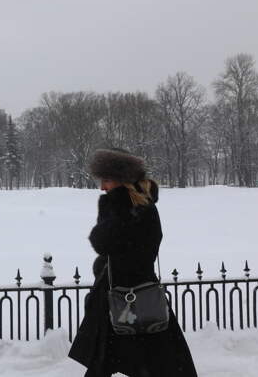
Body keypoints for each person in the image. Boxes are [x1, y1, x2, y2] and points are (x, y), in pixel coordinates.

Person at [68, 148, 198, 377]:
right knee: (143, 359)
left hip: (127, 296)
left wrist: (113, 207)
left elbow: (104, 241)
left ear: (121, 180)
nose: (102, 188)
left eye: (106, 180)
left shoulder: (132, 209)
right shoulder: (138, 208)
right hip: (130, 295)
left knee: (125, 359)